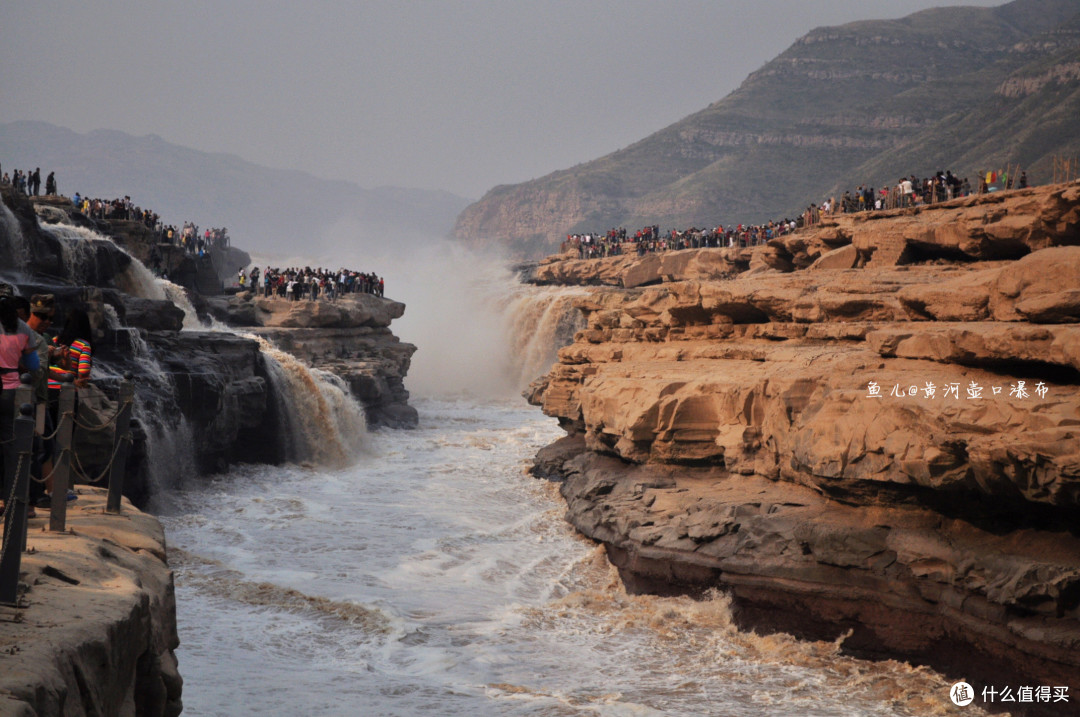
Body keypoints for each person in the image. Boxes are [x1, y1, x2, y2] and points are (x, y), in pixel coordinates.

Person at [0, 288, 42, 516]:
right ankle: (10, 500)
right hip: (13, 392)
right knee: (11, 449)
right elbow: (34, 365)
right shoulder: (24, 328)